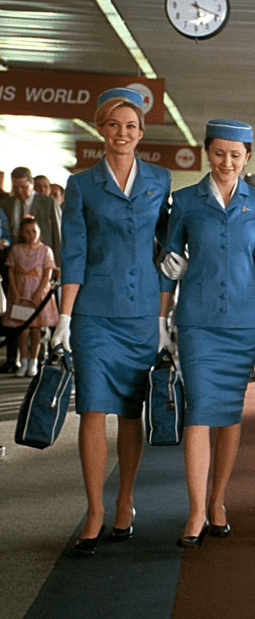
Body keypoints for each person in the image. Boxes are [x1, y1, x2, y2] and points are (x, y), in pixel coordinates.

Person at [52, 87, 171, 556]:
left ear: (141, 133)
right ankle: (95, 509)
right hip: (93, 314)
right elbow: (74, 252)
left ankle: (125, 500)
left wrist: (167, 302)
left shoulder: (160, 180)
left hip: (142, 310)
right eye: (114, 125)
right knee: (92, 410)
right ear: (100, 129)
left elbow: (168, 244)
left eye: (131, 126)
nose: (122, 133)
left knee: (130, 410)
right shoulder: (80, 185)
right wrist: (64, 316)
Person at [160, 119, 255, 548]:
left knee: (229, 415)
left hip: (244, 321)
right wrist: (163, 316)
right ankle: (196, 512)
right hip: (196, 319)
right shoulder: (185, 201)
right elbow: (170, 258)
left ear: (248, 157)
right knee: (199, 411)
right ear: (206, 153)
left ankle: (218, 501)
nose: (227, 162)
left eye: (236, 155)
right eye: (219, 153)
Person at [1, 167, 62, 373]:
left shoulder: (48, 203)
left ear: (31, 184)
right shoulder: (6, 203)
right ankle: (12, 359)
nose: (17, 191)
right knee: (15, 313)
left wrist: (58, 267)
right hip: (14, 267)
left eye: (22, 187)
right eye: (14, 187)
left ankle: (43, 357)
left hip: (41, 270)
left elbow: (57, 235)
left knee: (39, 318)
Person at [2, 216, 58, 376]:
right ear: (22, 233)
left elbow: (47, 273)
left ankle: (34, 362)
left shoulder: (45, 250)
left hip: (38, 295)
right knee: (22, 330)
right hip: (21, 295)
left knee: (36, 330)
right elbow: (11, 271)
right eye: (27, 232)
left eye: (34, 231)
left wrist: (39, 293)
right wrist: (14, 290)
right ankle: (23, 362)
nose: (31, 234)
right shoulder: (16, 249)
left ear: (39, 232)